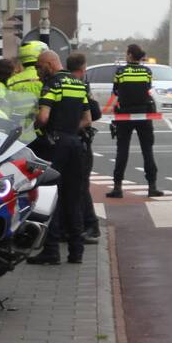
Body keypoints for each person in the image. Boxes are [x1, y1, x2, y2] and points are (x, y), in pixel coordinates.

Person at [29, 50, 92, 265]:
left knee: (50, 196)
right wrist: (71, 131)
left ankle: (51, 251)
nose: (38, 71)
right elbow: (88, 119)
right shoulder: (78, 84)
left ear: (49, 63)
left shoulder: (52, 85)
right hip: (75, 144)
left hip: (55, 145)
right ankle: (76, 252)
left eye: (39, 66)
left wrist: (32, 127)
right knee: (74, 198)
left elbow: (44, 117)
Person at [106, 44, 163, 198]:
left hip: (124, 115)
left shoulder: (121, 72)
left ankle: (117, 187)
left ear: (130, 55)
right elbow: (148, 88)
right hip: (144, 114)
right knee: (147, 151)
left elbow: (116, 91)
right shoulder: (147, 71)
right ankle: (152, 187)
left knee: (122, 151)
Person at [67, 52, 103, 243]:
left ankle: (90, 225)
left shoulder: (63, 84)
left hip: (73, 140)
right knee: (80, 186)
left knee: (79, 187)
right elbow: (95, 113)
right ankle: (86, 225)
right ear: (83, 68)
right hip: (80, 141)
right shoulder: (81, 86)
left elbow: (91, 116)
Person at [7, 41, 49, 139]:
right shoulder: (45, 78)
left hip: (18, 133)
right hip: (41, 132)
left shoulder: (12, 81)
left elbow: (7, 109)